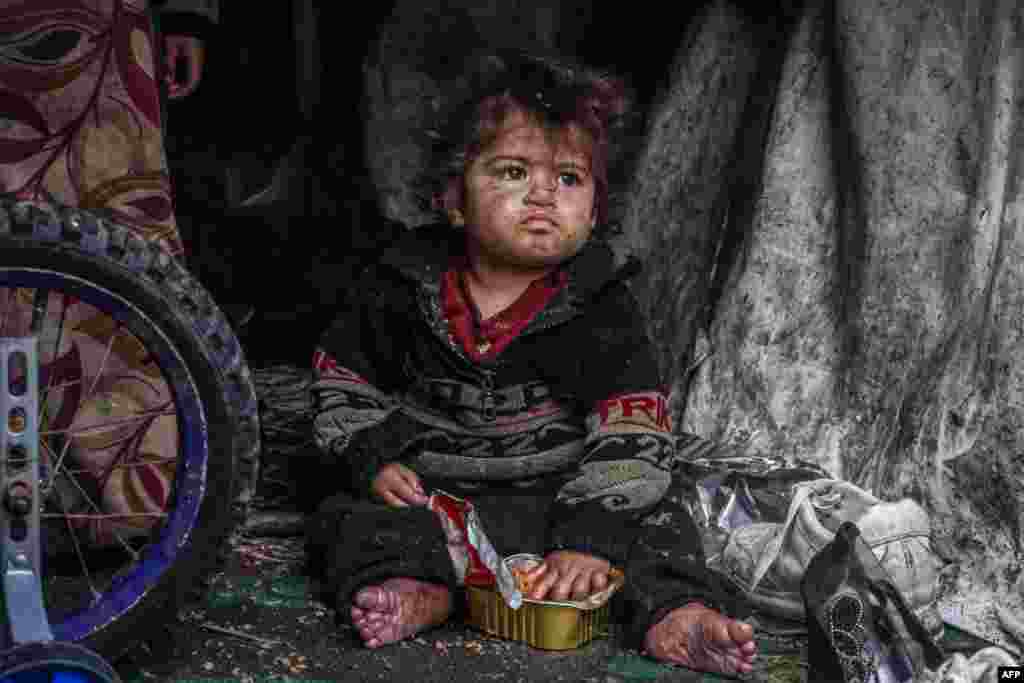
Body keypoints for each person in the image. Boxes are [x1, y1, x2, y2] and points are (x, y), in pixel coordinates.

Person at [305, 51, 758, 676]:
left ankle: (676, 616)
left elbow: (633, 428)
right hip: (438, 499)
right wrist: (371, 456)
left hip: (561, 495)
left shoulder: (601, 305)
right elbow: (343, 380)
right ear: (453, 199)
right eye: (513, 172)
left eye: (570, 179)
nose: (543, 193)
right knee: (349, 519)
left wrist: (590, 536)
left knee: (660, 523)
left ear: (596, 212)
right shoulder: (399, 285)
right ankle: (419, 590)